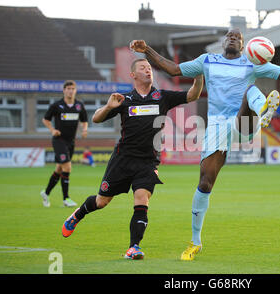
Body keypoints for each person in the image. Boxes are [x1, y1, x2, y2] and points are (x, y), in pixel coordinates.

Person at [130, 28, 280, 261]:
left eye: (238, 37)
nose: (233, 38)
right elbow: (172, 69)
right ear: (224, 42)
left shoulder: (252, 62)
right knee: (205, 182)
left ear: (243, 46)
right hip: (215, 126)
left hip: (242, 120)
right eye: (230, 36)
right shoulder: (207, 61)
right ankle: (195, 242)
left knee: (250, 91)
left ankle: (263, 109)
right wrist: (148, 50)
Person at [61, 58, 204, 260]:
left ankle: (133, 247)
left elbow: (192, 95)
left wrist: (199, 74)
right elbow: (96, 119)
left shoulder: (162, 96)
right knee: (102, 202)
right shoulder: (124, 99)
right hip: (123, 159)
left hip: (148, 161)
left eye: (149, 68)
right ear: (133, 75)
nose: (148, 70)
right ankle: (78, 215)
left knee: (142, 199)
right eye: (142, 68)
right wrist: (109, 106)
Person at [40, 80, 88, 208]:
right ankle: (66, 198)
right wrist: (52, 130)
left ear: (75, 90)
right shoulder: (57, 105)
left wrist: (84, 129)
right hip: (59, 140)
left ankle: (46, 193)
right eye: (68, 88)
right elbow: (45, 119)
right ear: (64, 90)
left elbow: (84, 120)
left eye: (73, 88)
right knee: (67, 167)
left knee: (59, 169)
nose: (70, 91)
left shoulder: (79, 106)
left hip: (71, 142)